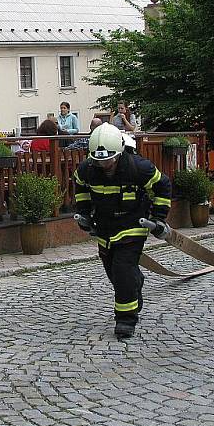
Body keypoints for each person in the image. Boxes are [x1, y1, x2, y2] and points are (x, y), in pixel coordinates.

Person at [73, 123, 171, 340]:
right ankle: (135, 285)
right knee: (113, 272)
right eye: (99, 160)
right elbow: (79, 185)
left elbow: (163, 185)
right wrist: (84, 213)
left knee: (122, 270)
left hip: (133, 224)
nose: (104, 164)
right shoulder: (88, 169)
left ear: (118, 153)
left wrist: (158, 218)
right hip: (104, 228)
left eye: (107, 159)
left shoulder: (139, 167)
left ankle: (126, 320)